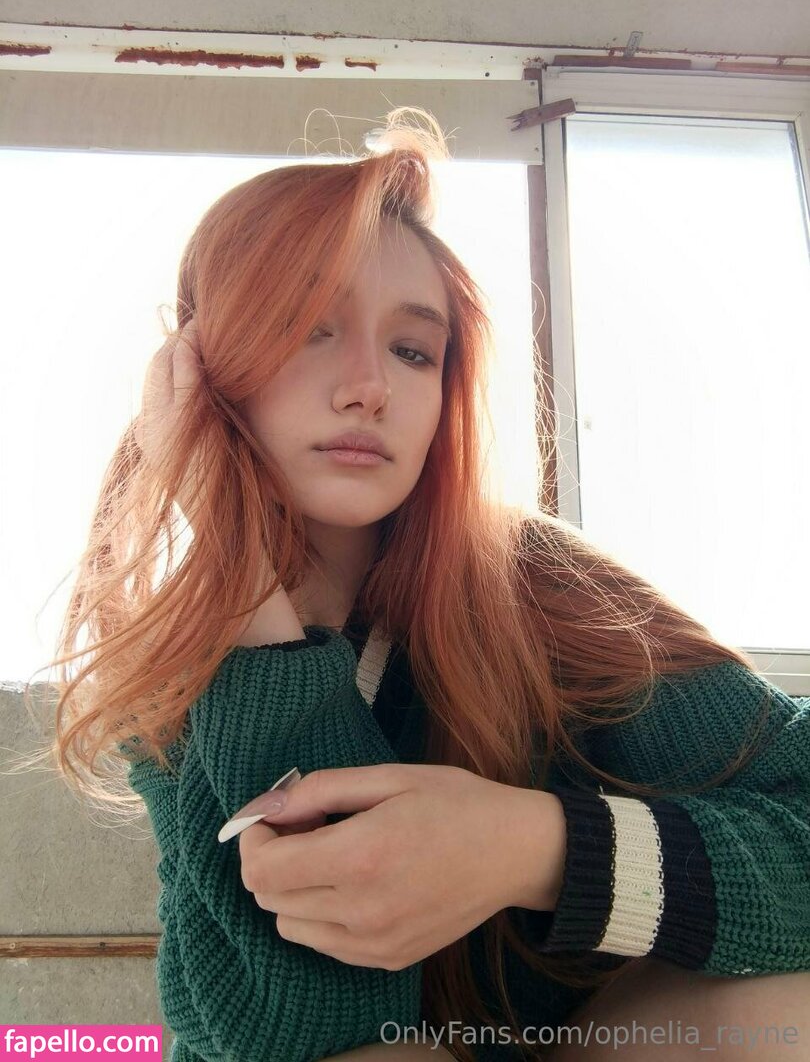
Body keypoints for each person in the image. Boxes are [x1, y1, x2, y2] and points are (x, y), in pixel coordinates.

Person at [16, 107, 810, 1061]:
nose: (369, 386)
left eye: (412, 350)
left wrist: (540, 848)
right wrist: (256, 616)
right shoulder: (180, 661)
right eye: (307, 329)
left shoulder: (545, 587)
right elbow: (302, 1032)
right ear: (203, 369)